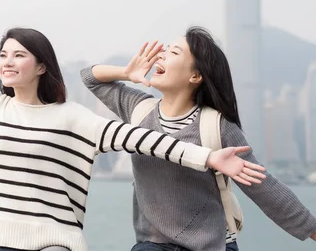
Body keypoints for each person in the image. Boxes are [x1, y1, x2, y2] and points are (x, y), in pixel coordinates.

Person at [0, 0, 266, 251]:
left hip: (58, 245)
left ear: (41, 67)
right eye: (3, 54)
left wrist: (209, 157)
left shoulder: (74, 119)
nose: (7, 62)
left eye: (19, 54)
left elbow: (147, 141)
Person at [80, 28, 316, 251]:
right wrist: (126, 73)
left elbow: (264, 188)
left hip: (212, 244)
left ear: (195, 75)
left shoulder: (217, 127)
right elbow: (90, 77)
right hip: (153, 244)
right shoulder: (139, 109)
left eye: (173, 52)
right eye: (166, 49)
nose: (161, 55)